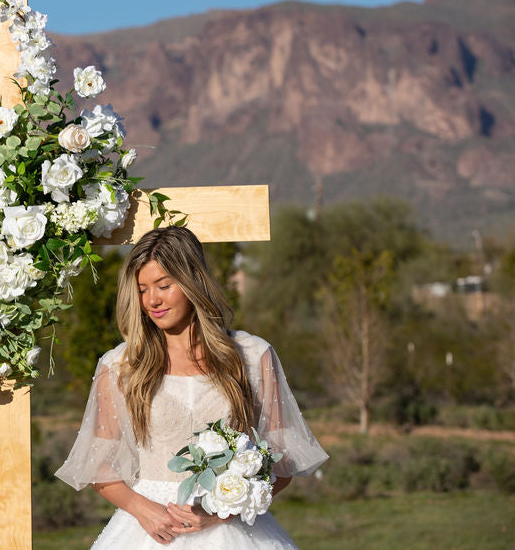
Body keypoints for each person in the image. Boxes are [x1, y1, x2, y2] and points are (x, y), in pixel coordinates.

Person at [56, 226, 328, 548]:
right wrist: (141, 508)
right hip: (148, 533)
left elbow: (281, 464)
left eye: (164, 285)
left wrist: (222, 513)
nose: (152, 300)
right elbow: (96, 464)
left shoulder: (253, 356)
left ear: (193, 281)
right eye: (142, 289)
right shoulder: (120, 366)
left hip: (233, 532)